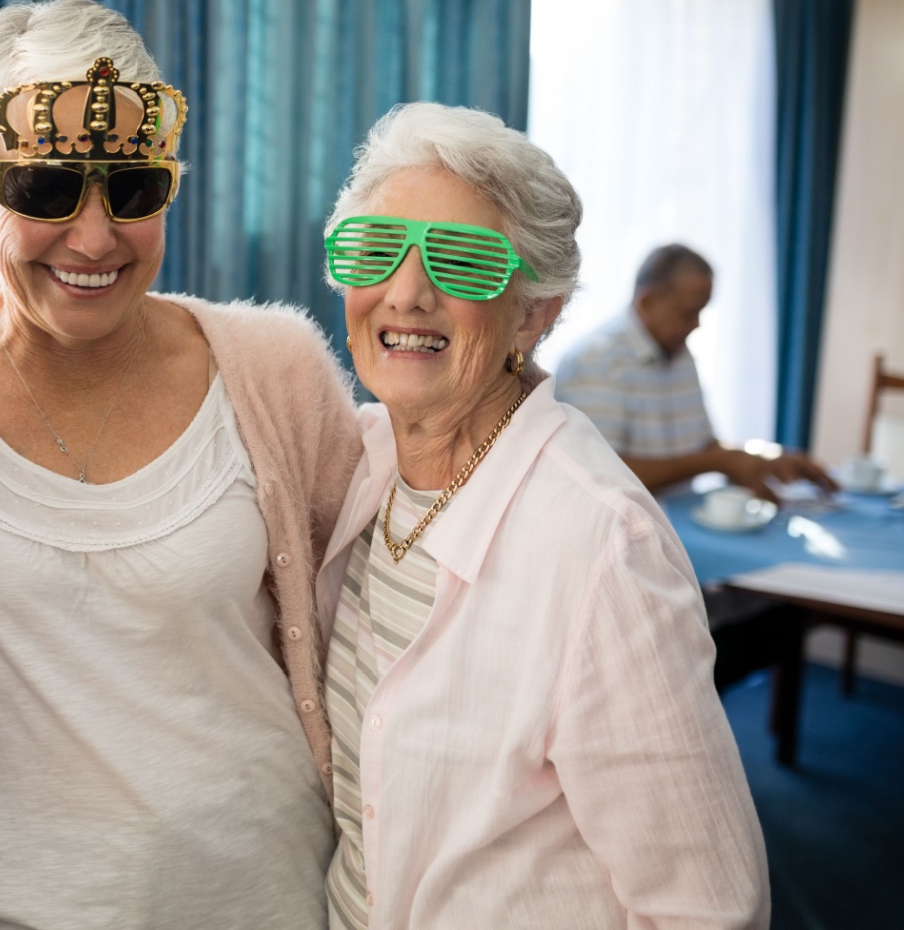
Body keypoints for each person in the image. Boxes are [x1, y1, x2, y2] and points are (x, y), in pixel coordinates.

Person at [0, 0, 362, 928]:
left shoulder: (277, 368)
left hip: (261, 897)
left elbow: (366, 629)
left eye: (131, 189)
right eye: (43, 189)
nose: (92, 236)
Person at [317, 103, 769, 928]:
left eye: (461, 262)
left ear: (536, 311)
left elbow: (710, 909)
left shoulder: (603, 550)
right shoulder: (363, 455)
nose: (407, 293)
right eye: (376, 251)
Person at [554, 243, 834, 502]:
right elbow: (599, 473)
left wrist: (765, 462)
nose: (697, 324)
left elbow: (703, 447)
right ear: (647, 302)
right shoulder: (596, 361)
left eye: (701, 311)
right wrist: (720, 463)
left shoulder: (678, 352)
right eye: (687, 313)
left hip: (679, 523)